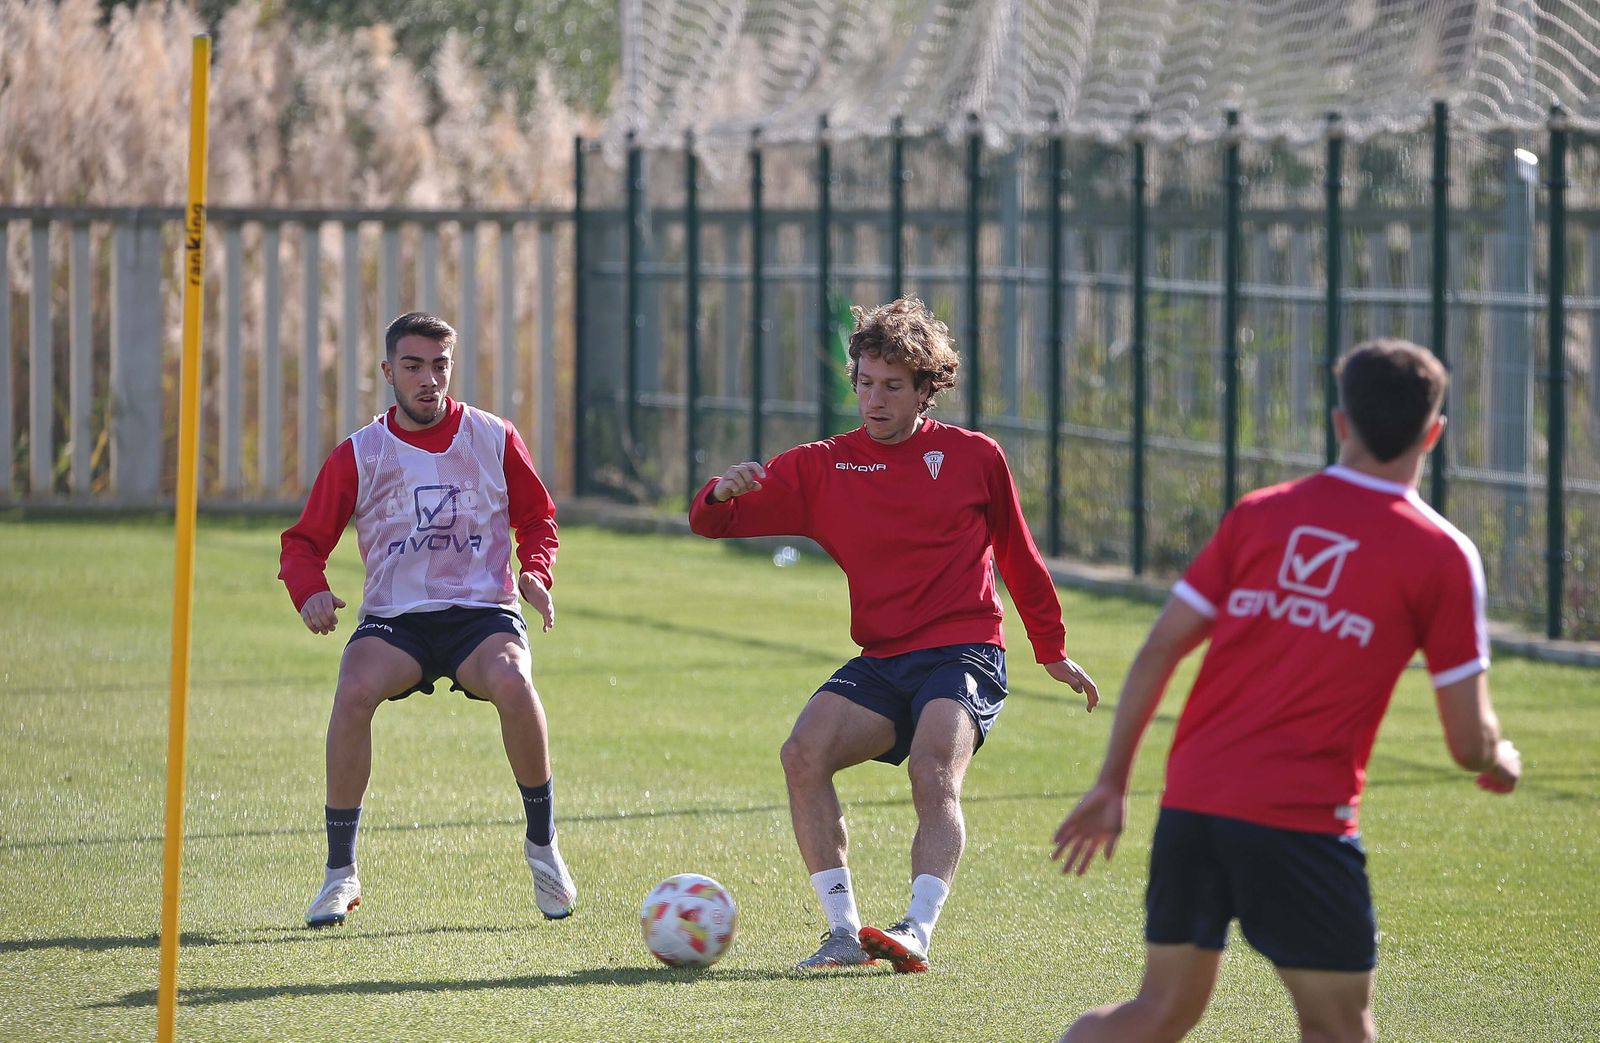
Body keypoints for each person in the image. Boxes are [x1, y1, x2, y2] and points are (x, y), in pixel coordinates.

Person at [1049, 338, 1522, 1042]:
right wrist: (1499, 756)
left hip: (1194, 806)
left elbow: (1159, 648)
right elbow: (1466, 740)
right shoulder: (1443, 554)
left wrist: (1113, 782)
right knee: (1338, 1029)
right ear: (1434, 433)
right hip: (1302, 823)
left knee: (1158, 1011)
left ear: (1340, 423)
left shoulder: (1263, 513)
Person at [690, 296, 1099, 973]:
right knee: (802, 752)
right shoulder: (820, 466)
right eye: (865, 382)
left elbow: (1020, 556)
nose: (875, 399)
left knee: (934, 764)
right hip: (883, 657)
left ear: (924, 390)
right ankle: (844, 932)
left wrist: (1051, 650)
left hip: (965, 648)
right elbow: (711, 523)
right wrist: (722, 492)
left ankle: (917, 927)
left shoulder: (973, 457)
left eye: (893, 385)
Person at [279, 311, 577, 928]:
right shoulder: (362, 452)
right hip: (398, 621)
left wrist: (536, 574)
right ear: (388, 372)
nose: (427, 379)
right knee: (354, 686)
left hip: (480, 614)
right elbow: (302, 543)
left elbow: (538, 519)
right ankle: (340, 874)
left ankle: (544, 847)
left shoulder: (493, 437)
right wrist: (309, 591)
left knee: (515, 680)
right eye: (412, 366)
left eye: (439, 365)